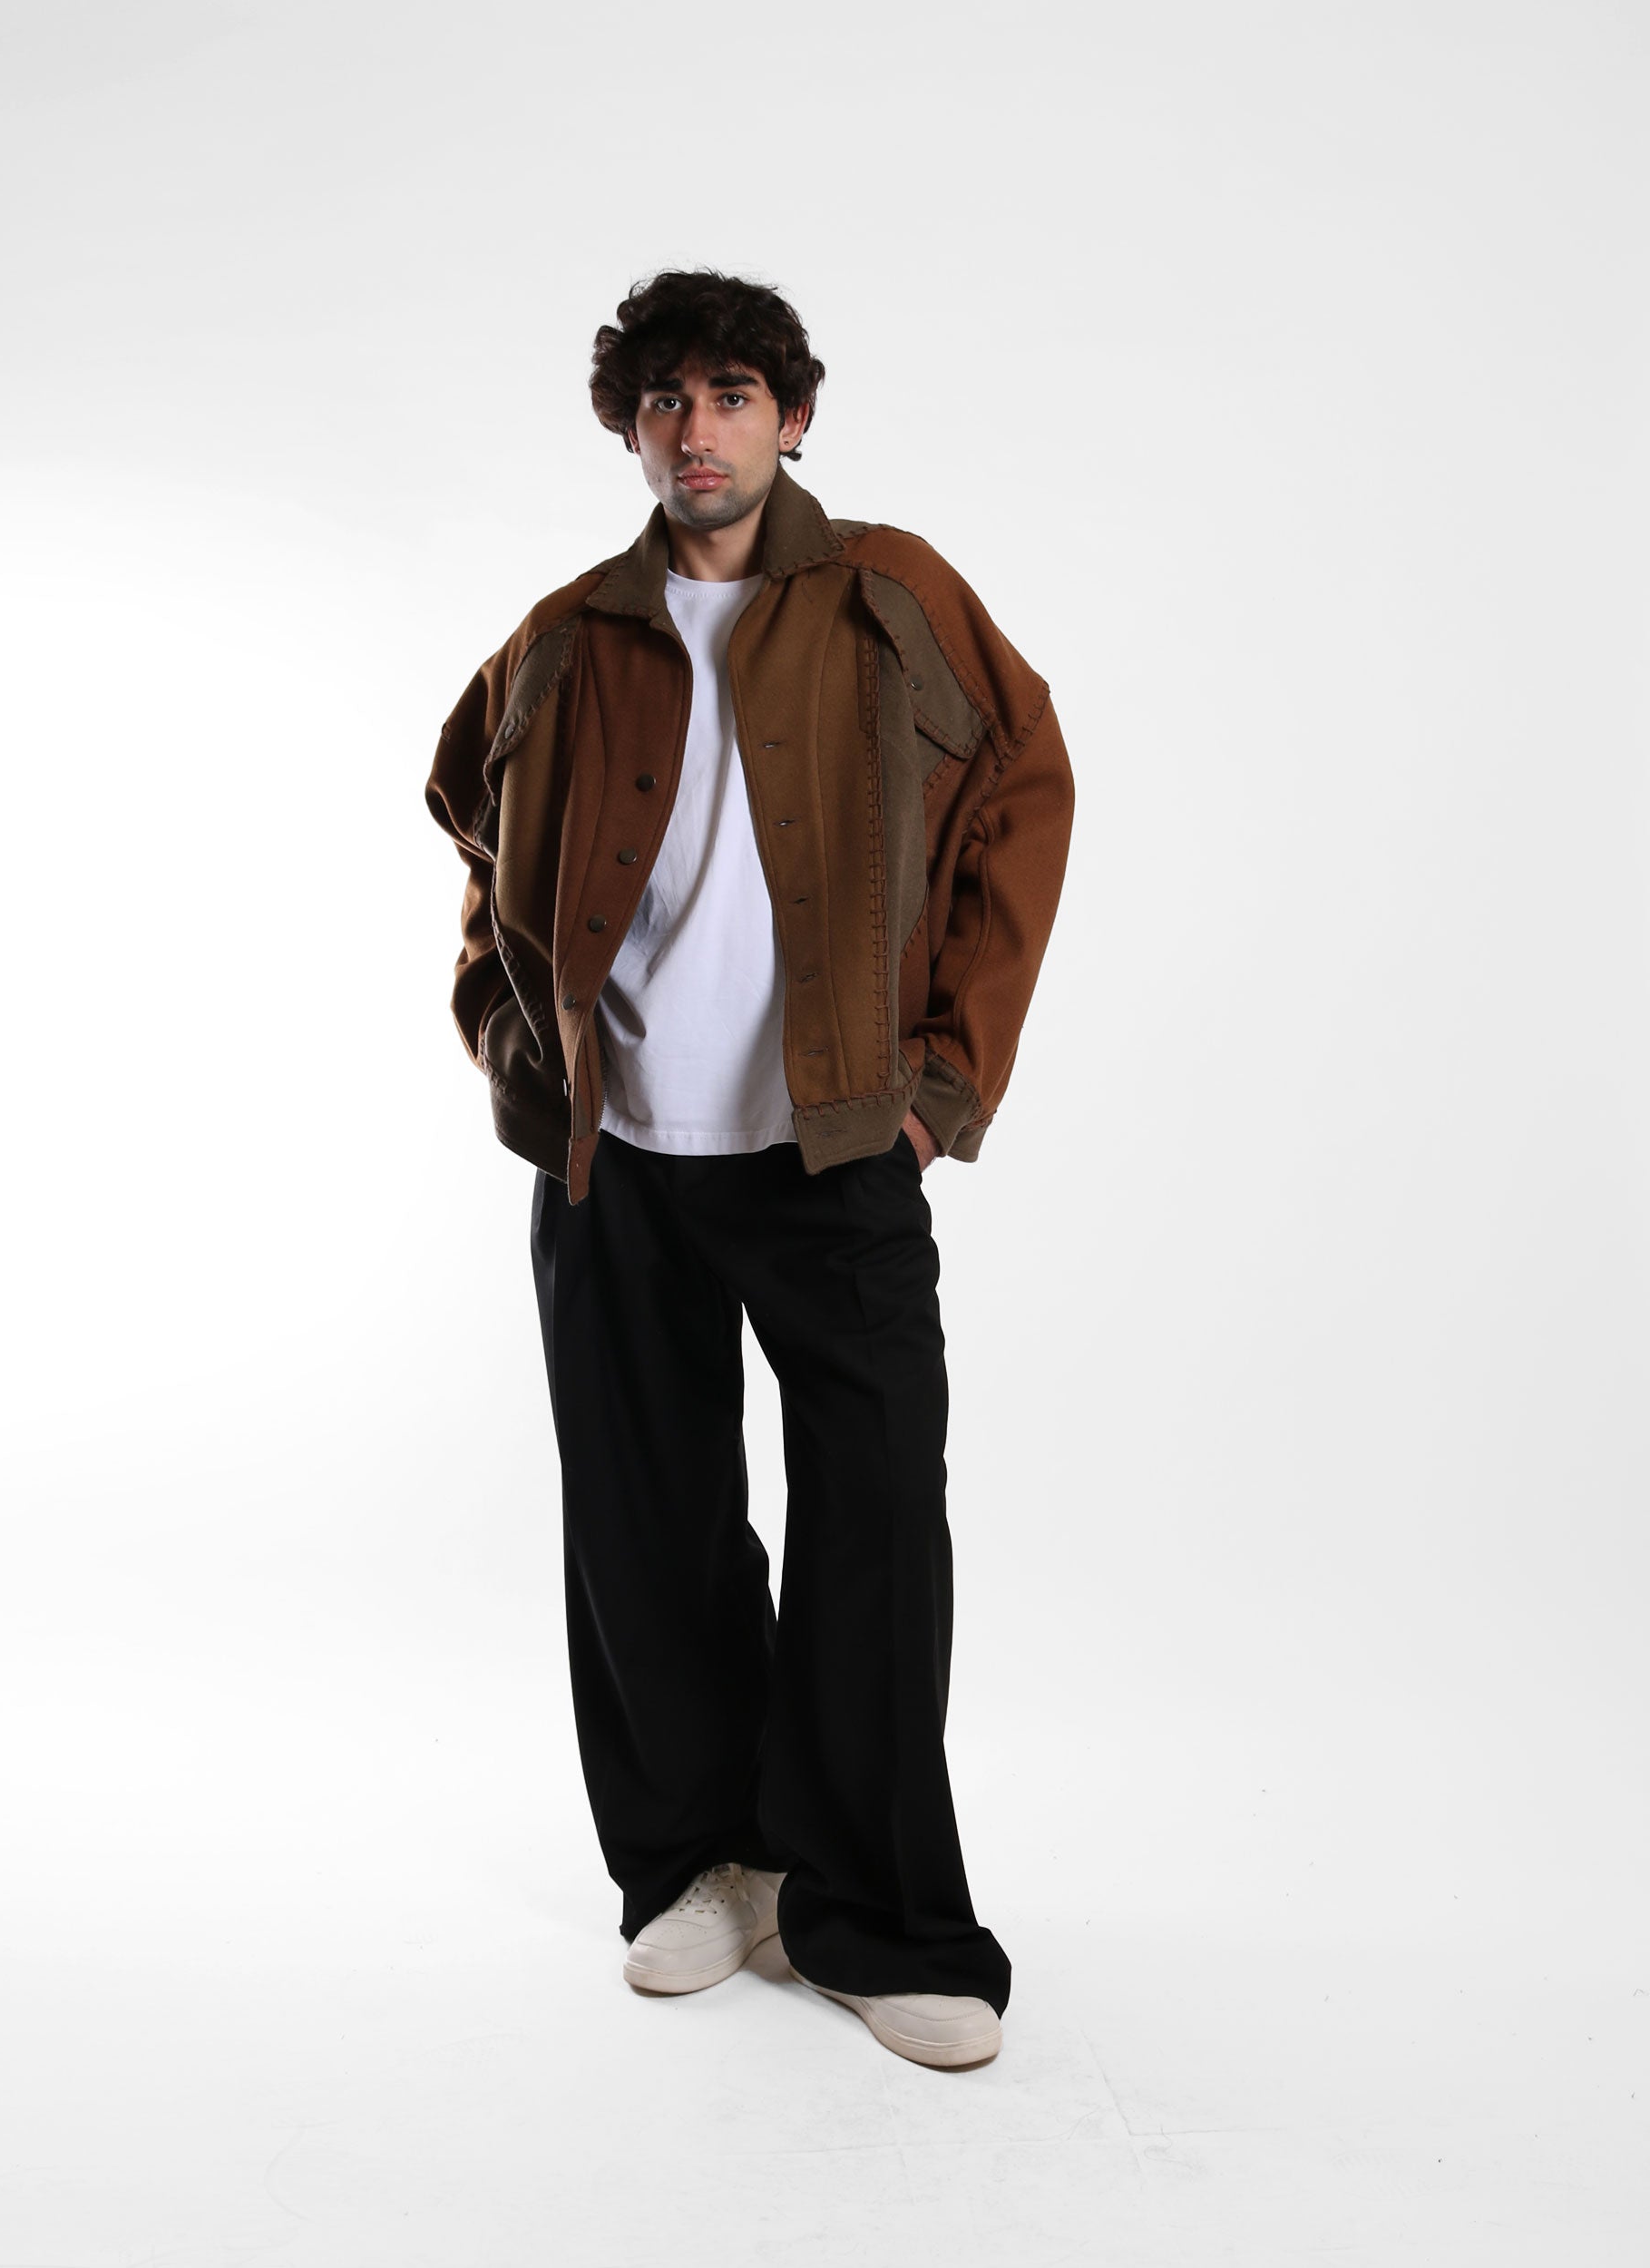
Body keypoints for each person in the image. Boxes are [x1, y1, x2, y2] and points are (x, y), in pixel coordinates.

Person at [424, 269, 1074, 2069]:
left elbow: (1025, 794)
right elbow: (471, 823)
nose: (694, 430)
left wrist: (943, 1079)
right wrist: (518, 1052)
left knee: (875, 1520)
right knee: (647, 1520)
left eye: (728, 395)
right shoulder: (568, 634)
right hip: (614, 1157)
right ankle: (703, 1862)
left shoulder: (890, 590)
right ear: (628, 431)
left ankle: (880, 1914)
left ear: (791, 415)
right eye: (662, 401)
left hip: (832, 1141)